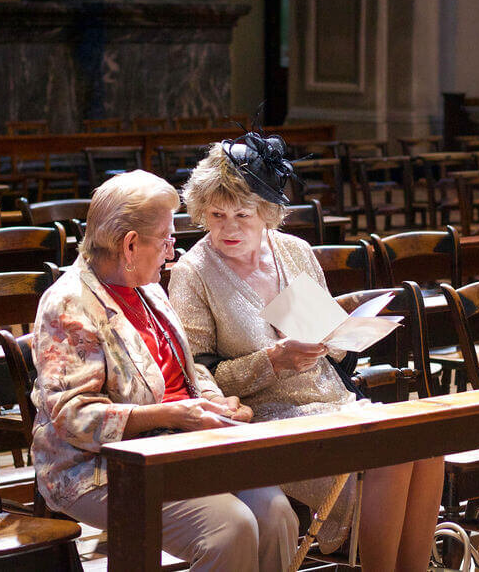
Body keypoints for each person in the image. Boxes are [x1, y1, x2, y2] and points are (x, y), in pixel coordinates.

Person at [169, 135, 444, 572]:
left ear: (268, 214)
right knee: (389, 460)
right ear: (202, 212)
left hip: (332, 401)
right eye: (216, 215)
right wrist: (273, 361)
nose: (229, 228)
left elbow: (334, 353)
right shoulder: (193, 272)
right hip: (264, 418)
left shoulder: (293, 252)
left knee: (427, 448)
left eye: (243, 215)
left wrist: (342, 338)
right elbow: (198, 377)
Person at [30, 169, 298, 572]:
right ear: (131, 244)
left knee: (277, 514)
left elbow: (188, 370)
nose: (173, 251)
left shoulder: (149, 286)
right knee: (230, 529)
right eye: (166, 239)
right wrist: (173, 415)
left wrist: (212, 402)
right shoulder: (70, 304)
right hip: (100, 467)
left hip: (179, 446)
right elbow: (74, 419)